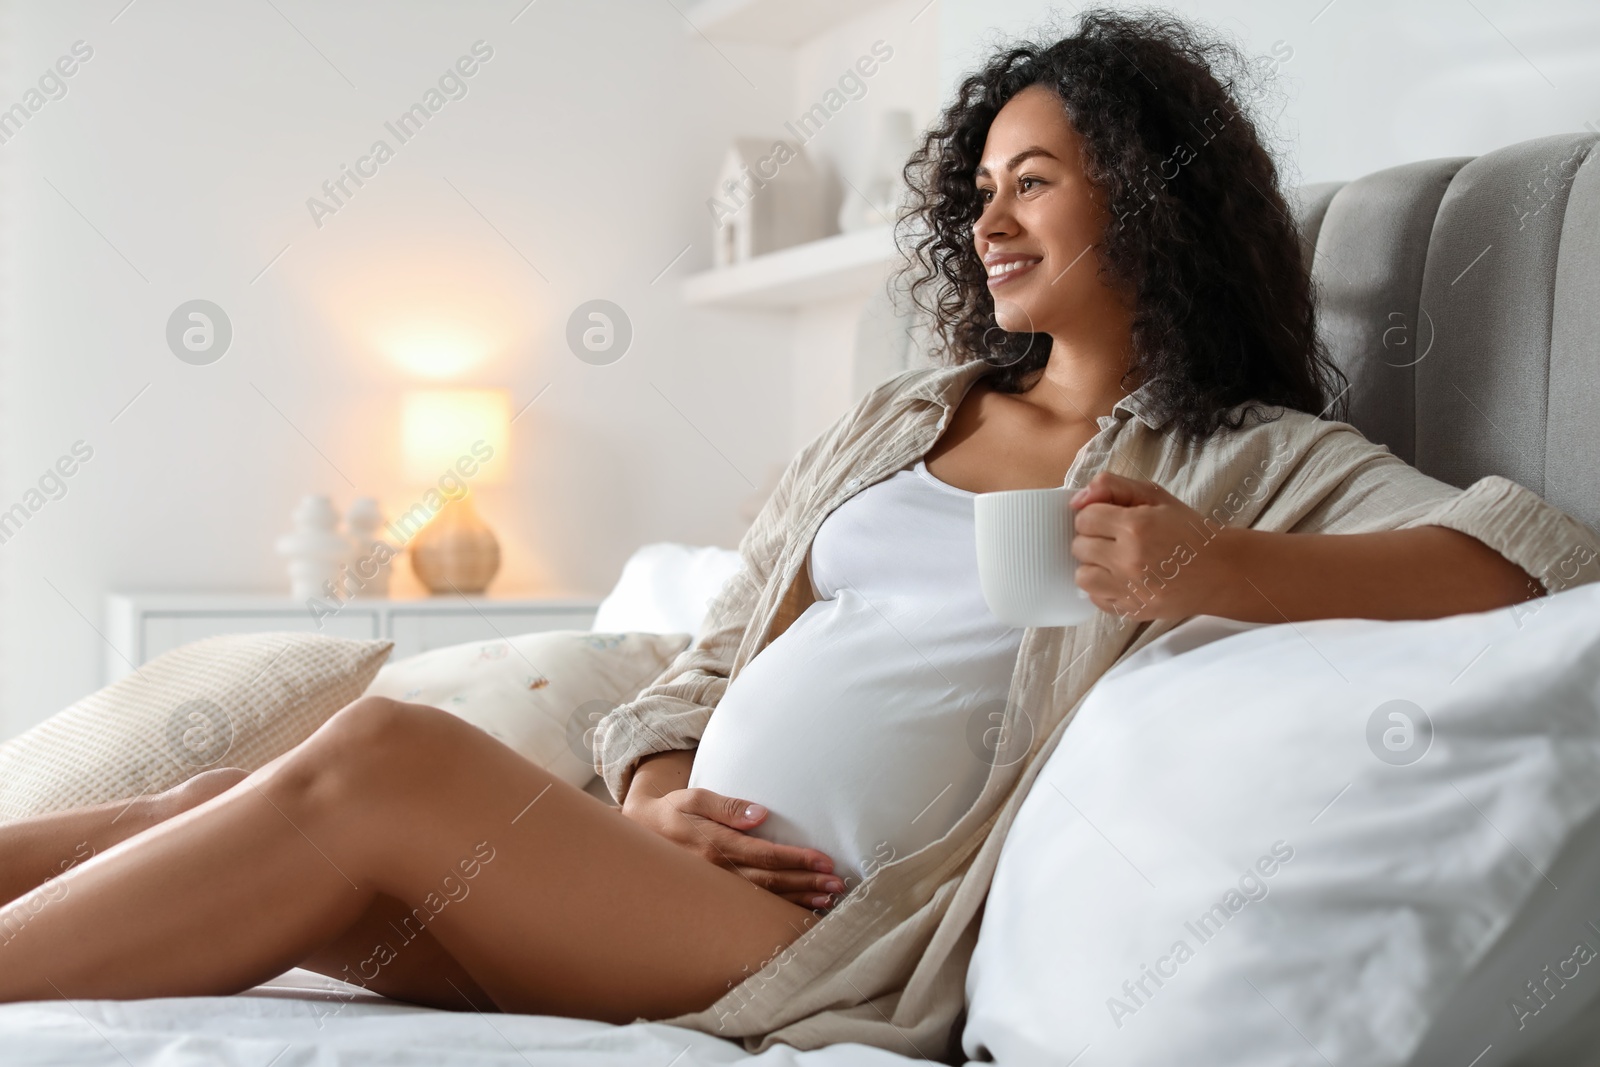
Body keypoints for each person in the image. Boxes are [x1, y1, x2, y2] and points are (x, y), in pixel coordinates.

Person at [2, 9, 1597, 1060]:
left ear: (1155, 202)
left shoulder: (1246, 461)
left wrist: (1213, 570)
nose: (988, 220)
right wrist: (655, 790)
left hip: (822, 945)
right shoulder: (904, 420)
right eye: (980, 185)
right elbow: (701, 663)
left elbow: (1535, 566)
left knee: (387, 762)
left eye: (1035, 181)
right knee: (229, 794)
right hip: (649, 878)